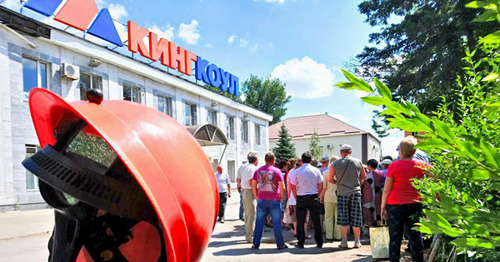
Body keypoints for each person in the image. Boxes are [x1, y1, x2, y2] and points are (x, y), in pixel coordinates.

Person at [381, 136, 432, 262]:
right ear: (414, 152)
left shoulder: (393, 166)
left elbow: (387, 189)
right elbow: (434, 181)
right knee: (415, 236)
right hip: (415, 204)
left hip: (394, 205)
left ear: (401, 151)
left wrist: (383, 206)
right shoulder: (423, 165)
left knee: (395, 238)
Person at [328, 144, 366, 248]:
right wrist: (356, 184)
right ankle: (357, 241)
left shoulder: (335, 163)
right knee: (356, 217)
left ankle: (344, 241)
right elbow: (364, 177)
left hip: (342, 193)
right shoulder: (358, 162)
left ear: (341, 152)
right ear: (351, 151)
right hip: (355, 192)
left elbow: (330, 179)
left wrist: (338, 182)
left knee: (343, 218)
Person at [251, 152, 288, 249]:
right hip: (274, 199)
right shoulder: (277, 171)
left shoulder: (258, 171)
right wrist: (281, 196)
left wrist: (256, 195)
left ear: (265, 160)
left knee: (259, 222)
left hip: (261, 199)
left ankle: (256, 244)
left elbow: (253, 184)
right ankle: (280, 244)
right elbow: (282, 186)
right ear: (273, 160)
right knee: (277, 223)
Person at [290, 151, 324, 248]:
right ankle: (319, 242)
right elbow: (321, 184)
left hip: (301, 196)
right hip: (313, 196)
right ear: (311, 160)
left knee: (300, 220)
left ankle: (301, 242)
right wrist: (318, 194)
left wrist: (296, 197)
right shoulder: (316, 170)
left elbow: (292, 186)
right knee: (316, 220)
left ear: (302, 159)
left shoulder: (297, 171)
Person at [236, 152, 259, 243]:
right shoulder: (252, 168)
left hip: (246, 191)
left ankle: (248, 234)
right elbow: (251, 181)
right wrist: (256, 193)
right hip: (250, 191)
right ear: (256, 161)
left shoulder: (245, 167)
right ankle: (250, 236)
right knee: (252, 214)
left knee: (248, 214)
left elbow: (239, 179)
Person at [320, 156, 341, 241]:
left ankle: (329, 235)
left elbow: (324, 187)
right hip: (339, 195)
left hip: (328, 196)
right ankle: (338, 235)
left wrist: (321, 196)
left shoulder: (325, 173)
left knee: (328, 217)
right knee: (338, 217)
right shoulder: (341, 172)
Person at [363, 159, 384, 227]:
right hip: (378, 196)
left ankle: (370, 231)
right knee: (378, 212)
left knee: (368, 214)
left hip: (368, 197)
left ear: (369, 166)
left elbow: (364, 185)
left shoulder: (367, 175)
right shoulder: (381, 173)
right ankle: (379, 228)